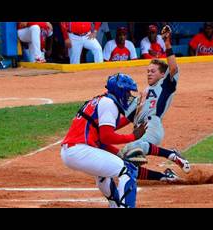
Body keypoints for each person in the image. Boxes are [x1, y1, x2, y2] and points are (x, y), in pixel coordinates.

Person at [60, 73, 147, 208]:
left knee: (104, 174)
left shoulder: (102, 101)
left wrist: (129, 120)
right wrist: (133, 136)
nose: (129, 95)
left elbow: (103, 132)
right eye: (127, 92)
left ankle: (115, 205)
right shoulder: (109, 104)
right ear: (119, 91)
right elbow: (106, 136)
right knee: (127, 170)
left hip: (72, 151)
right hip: (80, 150)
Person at [118, 25, 191, 182]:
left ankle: (172, 154)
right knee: (122, 162)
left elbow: (173, 67)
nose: (149, 73)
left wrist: (167, 42)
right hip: (140, 129)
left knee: (134, 148)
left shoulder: (165, 85)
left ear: (162, 74)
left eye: (153, 71)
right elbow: (127, 117)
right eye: (147, 71)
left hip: (153, 125)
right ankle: (164, 176)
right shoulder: (142, 94)